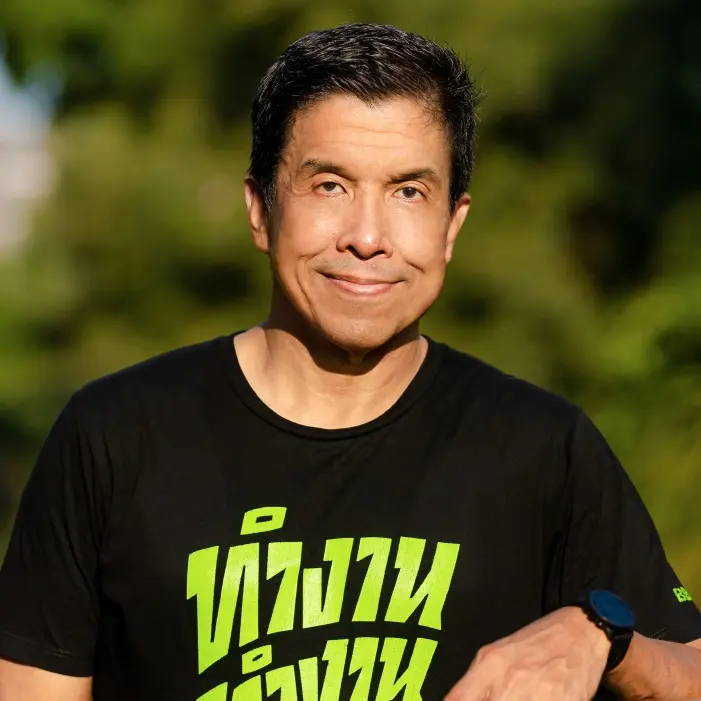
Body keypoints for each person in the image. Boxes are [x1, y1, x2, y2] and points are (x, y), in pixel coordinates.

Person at [0, 22, 700, 701]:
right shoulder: (114, 436)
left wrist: (601, 639)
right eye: (329, 185)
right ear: (260, 208)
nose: (367, 236)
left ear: (451, 226)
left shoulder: (542, 448)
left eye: (408, 192)